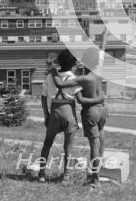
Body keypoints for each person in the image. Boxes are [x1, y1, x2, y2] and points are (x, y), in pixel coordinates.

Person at [37, 49, 101, 182]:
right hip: (68, 113)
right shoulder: (73, 78)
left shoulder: (50, 76)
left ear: (59, 61)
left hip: (54, 111)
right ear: (73, 64)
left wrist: (46, 114)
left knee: (47, 143)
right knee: (68, 147)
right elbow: (79, 98)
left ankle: (41, 174)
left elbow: (43, 97)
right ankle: (66, 177)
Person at [51, 47, 107, 185]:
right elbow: (101, 96)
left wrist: (53, 71)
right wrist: (99, 100)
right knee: (100, 140)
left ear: (84, 62)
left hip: (91, 112)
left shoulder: (83, 79)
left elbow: (60, 84)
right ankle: (96, 173)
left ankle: (95, 179)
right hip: (103, 111)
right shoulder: (98, 74)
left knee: (94, 144)